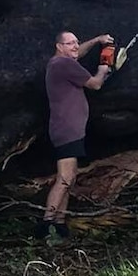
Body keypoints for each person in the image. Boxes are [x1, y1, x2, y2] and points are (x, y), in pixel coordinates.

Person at [36, 31, 113, 243]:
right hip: (67, 129)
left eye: (76, 42)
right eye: (69, 43)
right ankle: (46, 225)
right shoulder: (63, 64)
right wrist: (103, 69)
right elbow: (95, 84)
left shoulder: (58, 63)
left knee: (70, 177)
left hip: (70, 129)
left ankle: (60, 225)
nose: (75, 46)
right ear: (59, 46)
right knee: (65, 178)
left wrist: (97, 40)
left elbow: (79, 52)